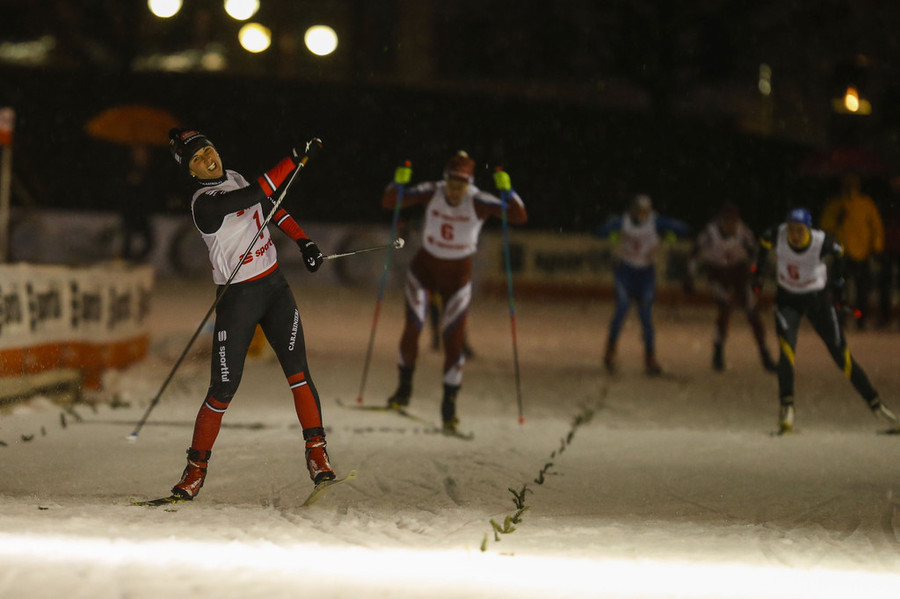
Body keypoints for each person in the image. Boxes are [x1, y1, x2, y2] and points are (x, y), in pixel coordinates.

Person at [164, 128, 334, 500]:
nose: (208, 159)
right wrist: (292, 156)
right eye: (197, 159)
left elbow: (271, 206)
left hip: (274, 289)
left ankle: (317, 452)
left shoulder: (236, 175)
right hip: (237, 299)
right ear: (191, 171)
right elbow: (257, 193)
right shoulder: (203, 202)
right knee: (223, 388)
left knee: (298, 372)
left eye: (208, 150)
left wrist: (303, 240)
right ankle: (195, 470)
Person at [382, 151, 527, 433]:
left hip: (458, 278)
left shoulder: (478, 200)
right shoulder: (433, 190)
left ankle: (449, 407)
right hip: (424, 270)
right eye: (451, 183)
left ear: (469, 184)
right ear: (445, 180)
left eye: (460, 185)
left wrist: (508, 191)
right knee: (413, 326)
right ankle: (403, 390)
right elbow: (390, 202)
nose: (455, 190)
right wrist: (397, 184)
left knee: (454, 341)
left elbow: (519, 216)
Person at [753, 207, 899, 434]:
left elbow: (840, 252)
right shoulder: (777, 234)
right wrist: (758, 274)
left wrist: (838, 285)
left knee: (842, 357)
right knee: (786, 353)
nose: (794, 234)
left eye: (800, 230)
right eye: (791, 229)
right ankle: (787, 408)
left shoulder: (821, 242)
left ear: (808, 229)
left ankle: (877, 406)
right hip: (788, 301)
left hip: (817, 301)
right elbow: (763, 244)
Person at [596, 194, 690, 375]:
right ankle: (610, 351)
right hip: (625, 272)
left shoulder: (655, 222)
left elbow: (682, 228)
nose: (642, 215)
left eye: (645, 211)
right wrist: (611, 231)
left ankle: (650, 357)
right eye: (639, 211)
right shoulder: (623, 222)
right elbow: (600, 232)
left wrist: (669, 233)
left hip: (646, 274)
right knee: (622, 307)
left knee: (645, 315)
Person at [686, 202, 776, 372]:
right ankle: (718, 353)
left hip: (738, 274)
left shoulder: (744, 233)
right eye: (727, 222)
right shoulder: (710, 233)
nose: (731, 226)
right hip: (718, 275)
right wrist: (689, 276)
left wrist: (758, 274)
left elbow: (755, 255)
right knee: (725, 308)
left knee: (752, 312)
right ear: (720, 221)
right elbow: (694, 253)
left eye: (734, 222)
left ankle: (765, 354)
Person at [819, 174, 884, 329]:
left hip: (862, 253)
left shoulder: (866, 204)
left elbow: (876, 228)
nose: (849, 188)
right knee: (839, 289)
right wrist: (837, 220)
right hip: (842, 253)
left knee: (862, 290)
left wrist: (876, 247)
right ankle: (840, 319)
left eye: (853, 184)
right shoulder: (836, 205)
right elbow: (825, 227)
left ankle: (860, 319)